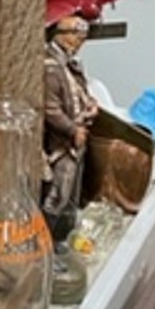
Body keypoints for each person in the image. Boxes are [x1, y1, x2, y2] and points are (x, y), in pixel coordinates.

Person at [42, 14, 98, 239]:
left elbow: (79, 91)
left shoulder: (70, 64)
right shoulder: (50, 67)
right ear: (61, 35)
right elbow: (51, 108)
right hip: (62, 143)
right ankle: (46, 240)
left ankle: (62, 236)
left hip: (78, 138)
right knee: (58, 194)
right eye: (77, 36)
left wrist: (90, 103)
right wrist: (72, 130)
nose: (80, 41)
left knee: (72, 194)